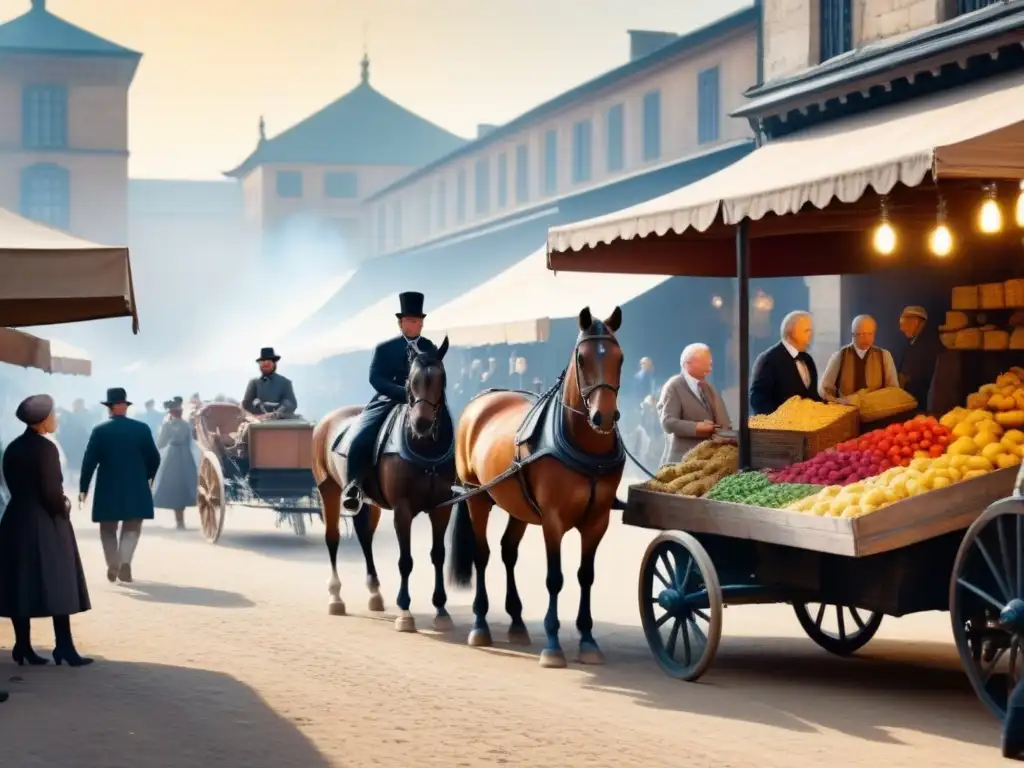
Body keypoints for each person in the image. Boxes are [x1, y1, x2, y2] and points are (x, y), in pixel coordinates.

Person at [0, 395, 92, 667]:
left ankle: (23, 645)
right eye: (54, 415)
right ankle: (63, 645)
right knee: (57, 581)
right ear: (42, 420)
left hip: (16, 519)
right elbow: (51, 491)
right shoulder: (46, 449)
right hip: (45, 521)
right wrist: (63, 507)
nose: (57, 419)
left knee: (21, 582)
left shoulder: (13, 448)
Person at [339, 291, 441, 513]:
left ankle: (452, 481)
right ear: (401, 323)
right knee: (362, 435)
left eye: (419, 321)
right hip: (390, 399)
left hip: (424, 401)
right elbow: (375, 378)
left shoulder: (430, 347)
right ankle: (354, 486)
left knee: (446, 428)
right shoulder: (385, 348)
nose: (416, 325)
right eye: (411, 321)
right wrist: (402, 393)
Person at [79, 388, 161, 584]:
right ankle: (125, 561)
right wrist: (148, 476)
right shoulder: (142, 429)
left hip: (108, 487)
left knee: (107, 529)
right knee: (132, 526)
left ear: (109, 408)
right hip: (136, 485)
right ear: (125, 406)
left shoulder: (100, 431)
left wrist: (83, 488)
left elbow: (89, 461)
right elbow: (154, 458)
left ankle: (113, 563)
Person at [657, 343, 732, 465]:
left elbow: (724, 421)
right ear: (688, 363)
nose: (709, 369)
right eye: (705, 363)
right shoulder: (674, 386)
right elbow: (668, 422)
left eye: (710, 364)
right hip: (681, 461)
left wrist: (725, 432)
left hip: (709, 460)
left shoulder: (710, 389)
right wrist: (696, 428)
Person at [750, 310, 821, 415]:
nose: (810, 335)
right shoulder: (769, 360)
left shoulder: (807, 360)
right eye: (806, 331)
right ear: (791, 331)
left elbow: (813, 397)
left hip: (807, 427)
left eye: (810, 331)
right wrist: (776, 424)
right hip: (780, 429)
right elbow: (758, 400)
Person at [818, 314, 900, 402]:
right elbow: (824, 389)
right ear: (853, 335)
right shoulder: (840, 356)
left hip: (877, 411)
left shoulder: (884, 355)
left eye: (870, 334)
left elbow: (894, 389)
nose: (866, 338)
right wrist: (838, 401)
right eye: (861, 334)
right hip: (847, 409)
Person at [152, 397, 198, 531]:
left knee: (172, 486)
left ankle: (178, 520)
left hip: (172, 456)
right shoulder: (187, 425)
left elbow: (161, 443)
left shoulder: (167, 426)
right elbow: (191, 442)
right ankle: (181, 520)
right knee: (184, 485)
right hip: (186, 456)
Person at [897, 305, 941, 412]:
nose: (902, 329)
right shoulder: (913, 342)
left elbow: (918, 376)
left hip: (920, 400)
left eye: (905, 324)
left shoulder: (928, 345)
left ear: (916, 322)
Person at [242, 347, 298, 418]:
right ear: (259, 364)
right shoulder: (254, 383)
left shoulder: (285, 383)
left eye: (268, 361)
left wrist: (276, 413)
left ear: (274, 363)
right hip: (258, 422)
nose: (265, 363)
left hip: (280, 423)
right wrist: (261, 412)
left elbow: (291, 404)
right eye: (263, 361)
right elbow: (246, 404)